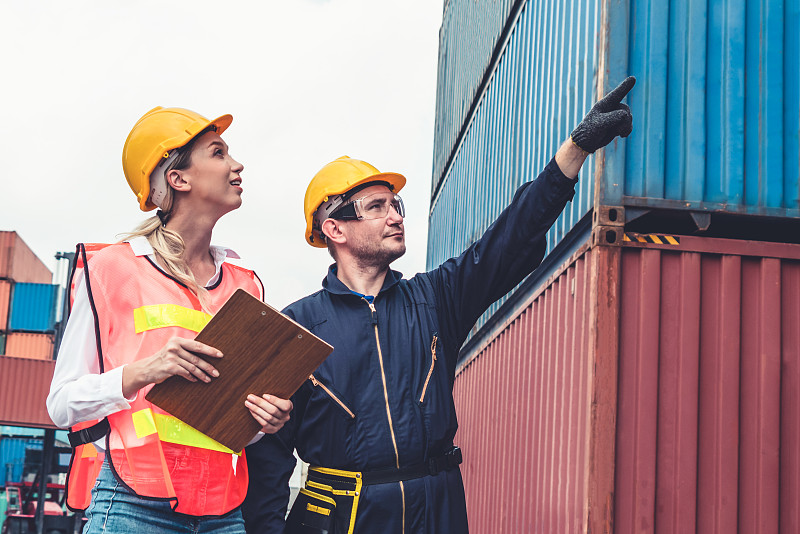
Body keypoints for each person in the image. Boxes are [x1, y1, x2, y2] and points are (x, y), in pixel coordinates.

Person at [242, 77, 636, 534]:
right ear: (335, 230)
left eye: (397, 205)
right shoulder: (297, 326)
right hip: (340, 521)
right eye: (377, 207)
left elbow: (506, 243)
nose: (396, 217)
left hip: (438, 512)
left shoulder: (435, 298)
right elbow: (267, 457)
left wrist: (574, 151)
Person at [47, 106, 293, 533]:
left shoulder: (246, 284)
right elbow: (61, 404)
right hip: (132, 508)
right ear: (179, 179)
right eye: (218, 153)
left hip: (225, 513)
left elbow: (237, 427)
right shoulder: (112, 270)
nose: (236, 165)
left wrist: (263, 421)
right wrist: (147, 369)